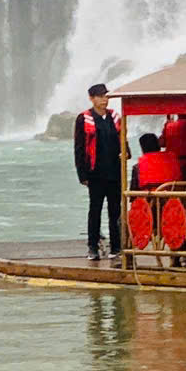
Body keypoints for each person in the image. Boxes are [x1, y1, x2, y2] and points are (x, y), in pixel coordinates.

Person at [74, 84, 125, 259]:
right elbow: (79, 148)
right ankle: (93, 247)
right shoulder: (84, 118)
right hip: (95, 173)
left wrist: (126, 153)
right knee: (95, 210)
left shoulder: (114, 117)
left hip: (115, 172)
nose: (104, 99)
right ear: (91, 98)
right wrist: (82, 174)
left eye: (106, 96)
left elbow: (122, 140)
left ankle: (116, 247)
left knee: (115, 211)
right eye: (100, 96)